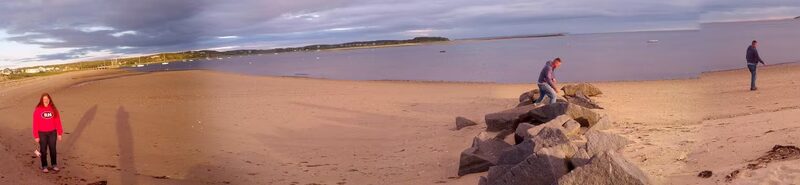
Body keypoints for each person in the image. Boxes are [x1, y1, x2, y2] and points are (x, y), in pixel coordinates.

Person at [32, 93, 63, 173]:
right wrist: (36, 136)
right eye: (44, 99)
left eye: (47, 99)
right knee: (43, 150)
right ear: (42, 100)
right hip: (42, 133)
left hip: (52, 132)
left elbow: (58, 121)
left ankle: (54, 165)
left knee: (53, 149)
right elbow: (35, 123)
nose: (46, 100)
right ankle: (44, 166)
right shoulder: (38, 110)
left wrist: (59, 133)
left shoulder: (53, 109)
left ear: (49, 99)